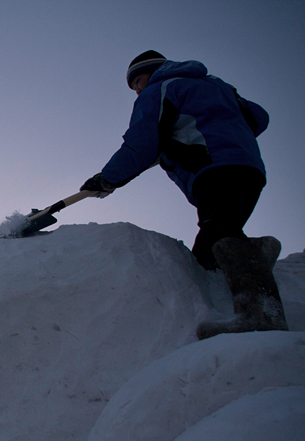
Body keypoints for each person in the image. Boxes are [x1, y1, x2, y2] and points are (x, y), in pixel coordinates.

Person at [80, 50, 288, 340]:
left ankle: (261, 313)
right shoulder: (217, 85)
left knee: (219, 230)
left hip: (213, 165)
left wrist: (107, 179)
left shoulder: (160, 89)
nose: (137, 90)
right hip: (249, 167)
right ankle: (256, 253)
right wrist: (222, 128)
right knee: (207, 253)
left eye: (137, 82)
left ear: (150, 73)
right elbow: (258, 117)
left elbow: (141, 143)